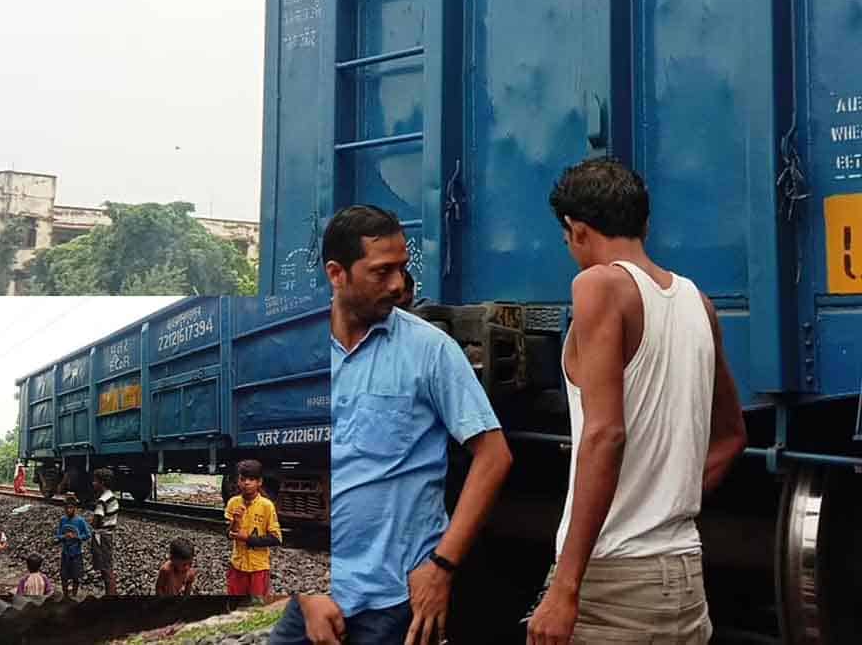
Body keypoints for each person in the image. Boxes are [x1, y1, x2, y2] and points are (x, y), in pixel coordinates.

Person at [524, 159, 747, 644]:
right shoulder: (698, 303)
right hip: (684, 578)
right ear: (644, 224)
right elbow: (731, 437)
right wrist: (664, 504)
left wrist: (564, 588)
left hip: (613, 582)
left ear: (577, 230)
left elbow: (606, 434)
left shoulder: (599, 286)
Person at [270, 205, 513, 645]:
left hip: (397, 602)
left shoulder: (430, 350)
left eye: (402, 268)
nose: (399, 284)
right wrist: (305, 593)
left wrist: (441, 568)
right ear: (336, 274)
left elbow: (494, 456)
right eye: (382, 272)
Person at [224, 460, 281, 597]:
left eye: (251, 479)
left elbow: (276, 538)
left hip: (258, 568)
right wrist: (235, 522)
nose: (247, 483)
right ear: (238, 481)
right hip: (237, 565)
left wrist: (248, 539)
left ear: (259, 482)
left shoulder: (267, 506)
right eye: (243, 479)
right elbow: (228, 534)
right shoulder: (233, 503)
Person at [90, 468, 119, 596]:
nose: (93, 483)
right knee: (107, 566)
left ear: (102, 482)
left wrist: (92, 522)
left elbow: (95, 522)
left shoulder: (102, 501)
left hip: (101, 536)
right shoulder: (112, 497)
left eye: (95, 481)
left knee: (105, 569)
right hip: (108, 534)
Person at [56, 495, 91, 597]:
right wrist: (63, 536)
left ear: (75, 508)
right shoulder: (62, 520)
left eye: (70, 508)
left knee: (76, 576)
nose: (68, 510)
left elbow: (87, 535)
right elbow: (58, 535)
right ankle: (66, 595)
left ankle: (74, 595)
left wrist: (77, 537)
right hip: (65, 553)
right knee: (64, 576)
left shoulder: (80, 521)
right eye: (66, 508)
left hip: (77, 553)